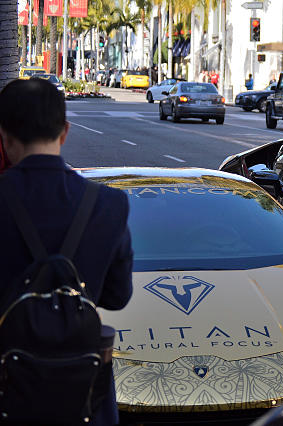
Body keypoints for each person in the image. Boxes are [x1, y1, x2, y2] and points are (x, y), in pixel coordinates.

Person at [0, 78, 133, 425]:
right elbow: (118, 297)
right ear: (65, 131)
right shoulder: (108, 204)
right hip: (83, 398)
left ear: (5, 136)